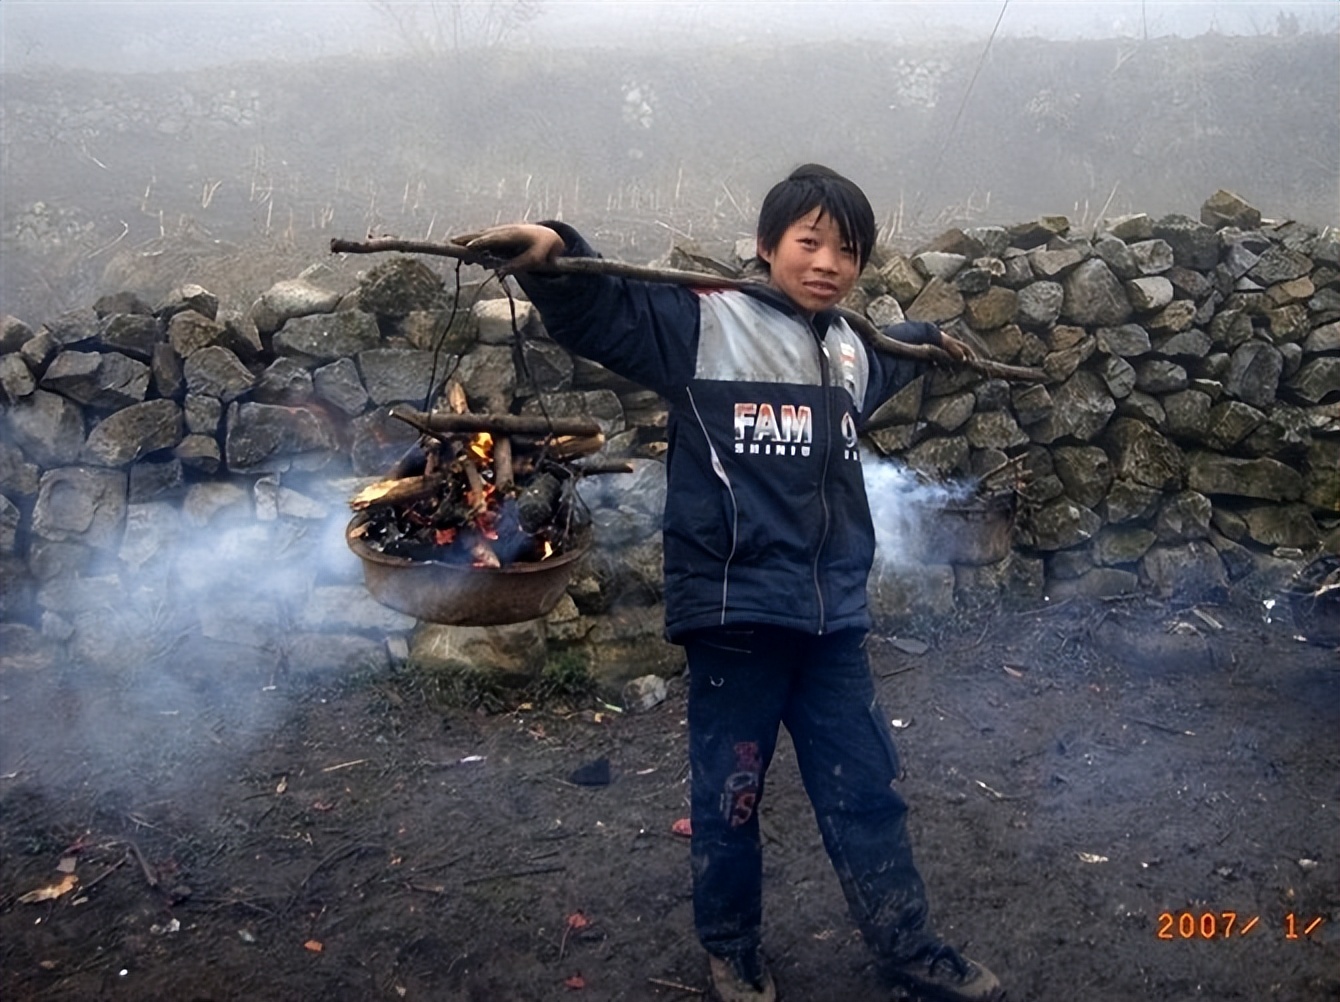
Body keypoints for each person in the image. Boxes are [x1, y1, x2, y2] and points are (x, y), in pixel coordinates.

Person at [463, 164, 1004, 1002]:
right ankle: (733, 949)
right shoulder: (704, 325)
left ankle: (908, 945)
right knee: (732, 799)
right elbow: (606, 309)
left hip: (830, 623)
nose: (827, 263)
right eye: (809, 242)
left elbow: (897, 354)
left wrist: (933, 339)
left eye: (847, 250)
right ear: (765, 244)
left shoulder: (852, 348)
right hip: (735, 618)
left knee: (867, 791)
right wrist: (554, 252)